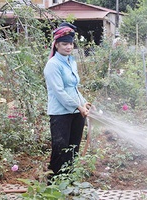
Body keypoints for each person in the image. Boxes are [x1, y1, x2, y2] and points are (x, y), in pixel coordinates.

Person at [44, 22, 90, 183]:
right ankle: (53, 185)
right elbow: (60, 92)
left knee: (73, 149)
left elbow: (73, 88)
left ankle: (68, 182)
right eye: (64, 44)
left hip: (77, 113)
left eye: (70, 44)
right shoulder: (53, 65)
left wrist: (84, 103)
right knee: (60, 149)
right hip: (60, 114)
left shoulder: (71, 61)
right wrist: (78, 106)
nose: (68, 47)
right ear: (56, 45)